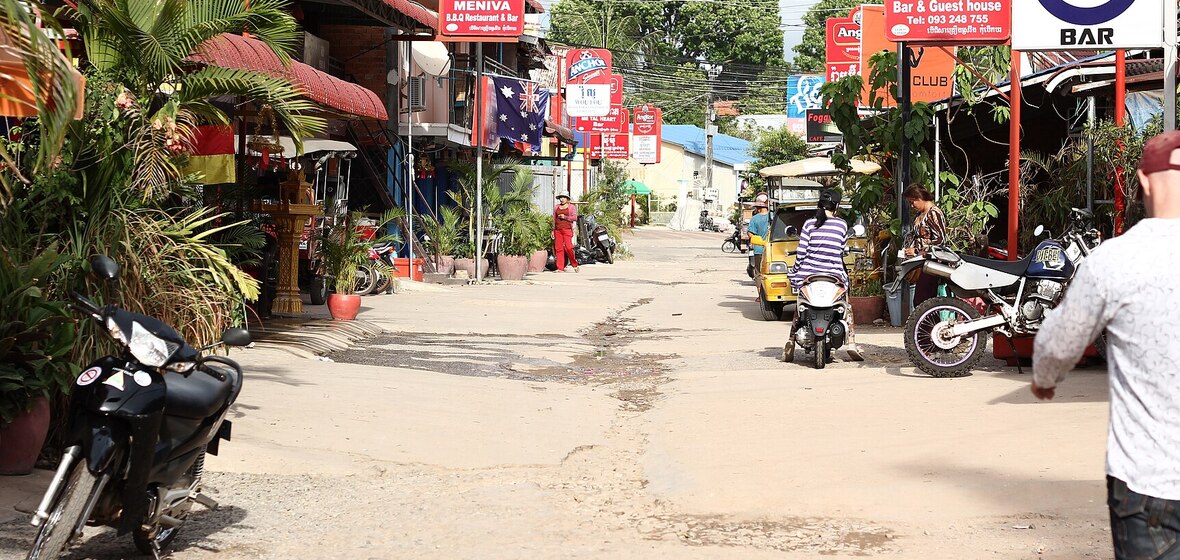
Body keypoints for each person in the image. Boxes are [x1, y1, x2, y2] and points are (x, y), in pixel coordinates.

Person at [1032, 130, 1180, 560]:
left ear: (1144, 182)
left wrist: (1045, 379)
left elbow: (1059, 344)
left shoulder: (1115, 260)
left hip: (1147, 484)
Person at [788, 188, 862, 360]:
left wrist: (796, 271)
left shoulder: (808, 225)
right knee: (847, 305)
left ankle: (791, 341)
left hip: (809, 272)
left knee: (799, 307)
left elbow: (801, 252)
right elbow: (841, 247)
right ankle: (851, 341)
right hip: (834, 273)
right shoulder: (842, 224)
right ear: (836, 206)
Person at [901, 184, 948, 305]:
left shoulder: (934, 213)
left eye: (913, 202)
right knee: (923, 299)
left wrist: (917, 250)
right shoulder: (920, 214)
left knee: (922, 299)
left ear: (919, 198)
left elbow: (940, 240)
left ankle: (929, 323)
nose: (912, 206)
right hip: (921, 262)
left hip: (932, 262)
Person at [553, 194, 579, 272]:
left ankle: (574, 264)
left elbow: (575, 218)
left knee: (569, 247)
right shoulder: (556, 207)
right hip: (558, 230)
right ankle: (560, 268)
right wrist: (553, 230)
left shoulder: (571, 207)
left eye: (563, 197)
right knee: (558, 248)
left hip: (567, 229)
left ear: (567, 199)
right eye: (560, 197)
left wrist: (565, 217)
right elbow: (554, 218)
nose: (562, 199)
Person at [747, 194, 770, 279]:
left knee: (759, 274)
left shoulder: (754, 219)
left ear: (758, 208)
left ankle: (761, 290)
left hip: (759, 251)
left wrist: (758, 241)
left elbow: (750, 233)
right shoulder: (774, 217)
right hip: (773, 250)